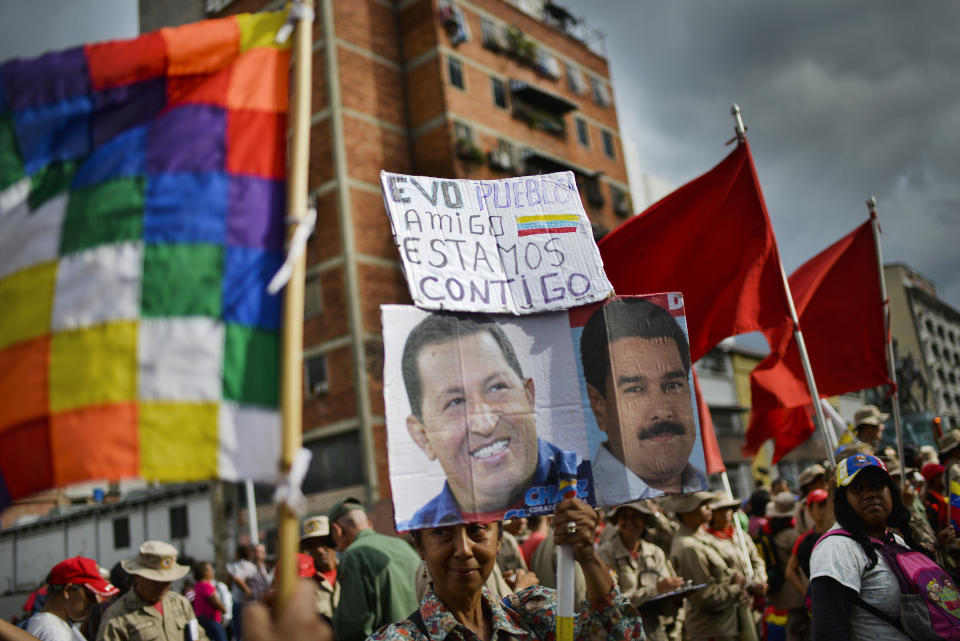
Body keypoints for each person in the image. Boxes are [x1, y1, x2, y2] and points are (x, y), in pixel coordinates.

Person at [400, 312, 591, 528]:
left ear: (529, 396)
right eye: (454, 403)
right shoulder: (424, 534)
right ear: (422, 437)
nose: (485, 424)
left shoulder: (596, 482)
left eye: (497, 387)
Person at [368, 498, 644, 641]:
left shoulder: (535, 615)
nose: (463, 549)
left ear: (499, 541)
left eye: (477, 530)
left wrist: (587, 556)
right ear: (420, 547)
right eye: (442, 532)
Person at [579, 297, 707, 504]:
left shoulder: (705, 489)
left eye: (673, 385)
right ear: (599, 406)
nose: (662, 411)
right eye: (635, 389)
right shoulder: (586, 506)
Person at [808, 454, 931, 640]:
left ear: (891, 493)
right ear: (843, 500)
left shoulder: (895, 541)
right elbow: (829, 633)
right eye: (857, 488)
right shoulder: (836, 549)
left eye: (877, 485)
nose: (870, 494)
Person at [327, 498, 421, 641]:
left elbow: (353, 626)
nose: (338, 548)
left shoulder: (353, 555)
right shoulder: (403, 547)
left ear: (337, 530)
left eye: (334, 542)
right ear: (369, 524)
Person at [663, 491, 747, 641]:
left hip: (723, 625)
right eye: (702, 505)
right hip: (711, 630)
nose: (709, 508)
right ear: (687, 512)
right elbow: (706, 596)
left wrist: (734, 577)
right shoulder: (688, 547)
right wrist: (737, 587)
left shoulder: (699, 537)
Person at [598, 501, 685, 641]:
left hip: (654, 632)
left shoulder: (655, 553)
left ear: (645, 520)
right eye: (624, 516)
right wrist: (656, 589)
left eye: (635, 516)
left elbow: (669, 600)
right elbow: (612, 602)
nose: (629, 521)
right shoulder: (606, 554)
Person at [97, 541, 207, 641]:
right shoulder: (117, 616)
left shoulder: (180, 603)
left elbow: (199, 637)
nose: (162, 587)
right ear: (137, 576)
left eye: (167, 582)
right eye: (155, 581)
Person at [26, 557, 118, 641]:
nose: (95, 602)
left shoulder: (57, 624)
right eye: (90, 595)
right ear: (67, 590)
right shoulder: (54, 632)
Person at [758, 492, 806, 641]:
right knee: (797, 629)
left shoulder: (770, 533)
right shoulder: (791, 535)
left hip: (779, 592)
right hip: (794, 592)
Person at [784, 489, 830, 599]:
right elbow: (790, 572)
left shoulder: (843, 532)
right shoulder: (804, 540)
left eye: (827, 504)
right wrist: (806, 594)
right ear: (810, 511)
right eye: (820, 505)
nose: (825, 509)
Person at [298, 516, 339, 620]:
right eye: (312, 545)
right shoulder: (304, 585)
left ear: (334, 542)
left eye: (323, 542)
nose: (319, 550)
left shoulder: (351, 572)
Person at [226, 545, 256, 641]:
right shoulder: (252, 566)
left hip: (238, 601)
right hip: (250, 603)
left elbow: (236, 579)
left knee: (239, 633)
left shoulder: (235, 566)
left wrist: (246, 590)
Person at [191, 562, 227, 641]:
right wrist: (223, 609)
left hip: (201, 617)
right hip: (210, 619)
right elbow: (214, 601)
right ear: (205, 573)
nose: (212, 572)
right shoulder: (206, 585)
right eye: (211, 570)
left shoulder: (198, 585)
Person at [794, 464, 827, 534]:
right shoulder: (804, 506)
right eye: (820, 480)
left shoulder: (828, 498)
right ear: (810, 485)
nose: (824, 483)